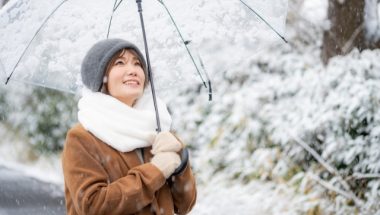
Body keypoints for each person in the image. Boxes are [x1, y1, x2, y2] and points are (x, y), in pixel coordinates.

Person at [61, 38, 197, 215]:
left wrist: (180, 163)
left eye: (138, 63)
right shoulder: (82, 137)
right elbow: (93, 206)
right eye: (120, 62)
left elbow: (184, 206)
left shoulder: (157, 128)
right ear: (100, 76)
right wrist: (154, 172)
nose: (133, 70)